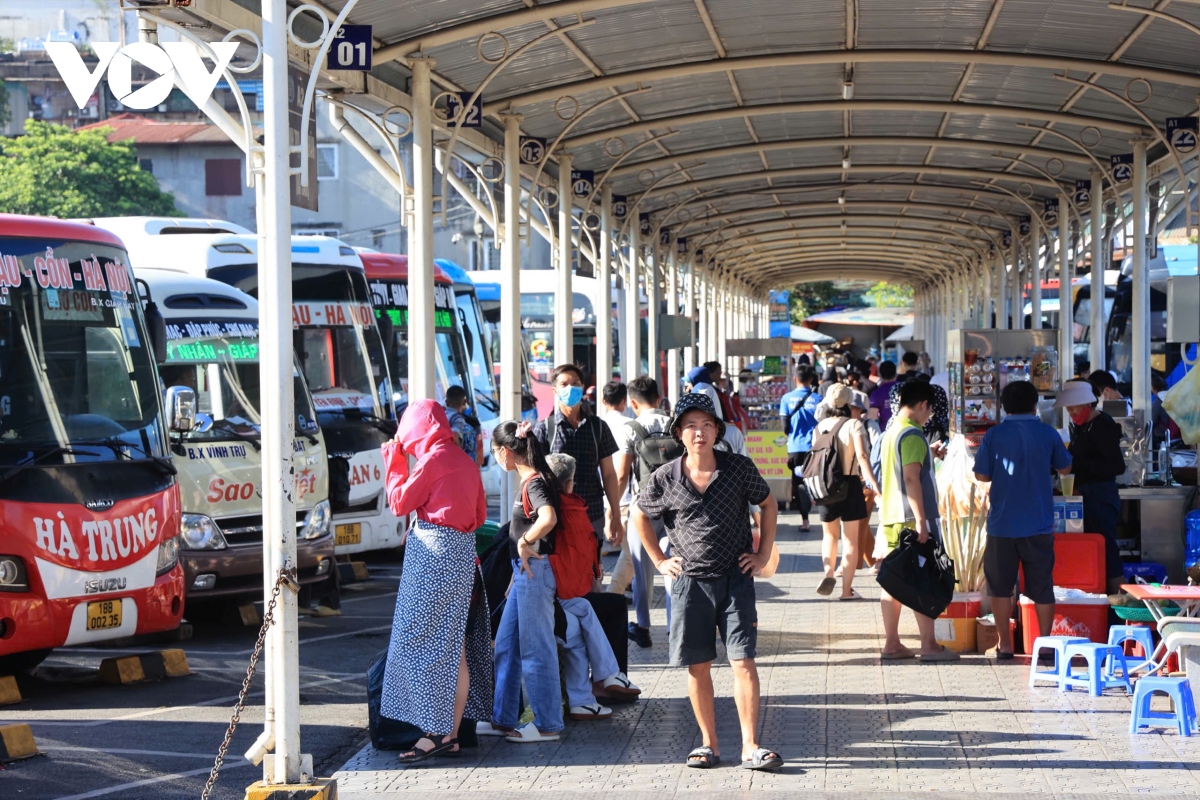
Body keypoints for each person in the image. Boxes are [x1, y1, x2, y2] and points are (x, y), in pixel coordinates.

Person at [630, 393, 783, 771]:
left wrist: (762, 555)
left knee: (743, 661)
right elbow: (639, 516)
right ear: (679, 434)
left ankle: (750, 745)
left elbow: (768, 503)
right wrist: (660, 561)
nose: (699, 433)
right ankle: (708, 744)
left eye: (707, 425)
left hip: (736, 579)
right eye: (691, 426)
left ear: (717, 431)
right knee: (698, 666)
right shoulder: (665, 477)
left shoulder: (738, 468)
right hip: (689, 584)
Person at [380, 400, 490, 762]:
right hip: (462, 554)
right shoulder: (465, 460)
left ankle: (434, 732)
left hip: (431, 556)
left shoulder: (430, 461)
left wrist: (394, 462)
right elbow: (478, 515)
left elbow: (399, 502)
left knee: (418, 642)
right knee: (452, 643)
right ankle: (452, 733)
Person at [973, 381, 1073, 659]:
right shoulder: (1047, 433)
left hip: (1002, 524)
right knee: (1041, 585)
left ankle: (1005, 645)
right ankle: (1045, 645)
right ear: (1034, 405)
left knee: (1000, 586)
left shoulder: (993, 435)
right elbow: (1065, 467)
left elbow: (981, 475)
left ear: (1004, 406)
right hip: (1038, 523)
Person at [544, 453, 642, 720]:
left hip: (555, 594)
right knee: (591, 611)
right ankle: (608, 677)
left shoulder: (546, 507)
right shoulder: (567, 510)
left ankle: (592, 691)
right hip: (556, 595)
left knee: (582, 620)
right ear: (570, 483)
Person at [490, 420, 565, 743]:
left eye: (495, 451)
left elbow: (548, 518)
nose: (495, 457)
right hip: (524, 576)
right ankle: (503, 718)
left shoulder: (532, 483)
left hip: (535, 574)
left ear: (506, 452)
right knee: (506, 646)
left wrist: (525, 541)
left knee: (537, 649)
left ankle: (548, 724)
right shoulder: (532, 480)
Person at [877, 380, 959, 662]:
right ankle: (929, 645)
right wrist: (922, 521)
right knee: (922, 580)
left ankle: (891, 643)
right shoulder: (911, 434)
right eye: (929, 411)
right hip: (911, 520)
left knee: (893, 581)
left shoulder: (890, 431)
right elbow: (911, 477)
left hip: (890, 517)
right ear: (922, 404)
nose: (929, 417)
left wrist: (928, 454)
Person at [534, 364, 625, 561]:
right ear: (555, 390)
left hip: (591, 513)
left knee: (591, 573)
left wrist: (615, 515)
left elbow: (609, 473)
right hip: (557, 516)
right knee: (560, 573)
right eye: (564, 384)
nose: (570, 388)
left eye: (575, 383)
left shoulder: (598, 427)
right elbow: (534, 477)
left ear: (583, 387)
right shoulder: (544, 429)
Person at [613, 376, 672, 649]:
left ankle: (644, 626)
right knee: (673, 567)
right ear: (659, 399)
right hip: (676, 505)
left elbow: (623, 474)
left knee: (641, 568)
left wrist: (613, 508)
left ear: (633, 403)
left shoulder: (631, 428)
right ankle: (675, 628)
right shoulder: (675, 423)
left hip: (643, 507)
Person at [1057, 380, 1127, 593]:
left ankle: (1119, 599)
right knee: (1092, 548)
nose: (1071, 412)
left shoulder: (1102, 425)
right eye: (1068, 409)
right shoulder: (1081, 427)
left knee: (1106, 548)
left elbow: (1116, 466)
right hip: (1086, 496)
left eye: (1074, 407)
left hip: (1100, 496)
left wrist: (1075, 464)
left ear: (1087, 404)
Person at [813, 385, 877, 601]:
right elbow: (862, 457)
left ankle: (828, 573)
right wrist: (873, 483)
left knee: (829, 536)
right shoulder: (854, 424)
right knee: (851, 541)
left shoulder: (820, 426)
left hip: (825, 486)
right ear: (849, 403)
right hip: (850, 485)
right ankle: (846, 590)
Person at [600, 381, 636, 593]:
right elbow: (623, 473)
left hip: (598, 499)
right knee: (632, 553)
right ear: (625, 401)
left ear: (603, 401)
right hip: (625, 500)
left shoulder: (596, 424)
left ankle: (603, 592)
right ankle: (612, 593)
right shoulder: (632, 425)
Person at [779, 366, 821, 531]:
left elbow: (784, 425)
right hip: (816, 447)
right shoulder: (818, 399)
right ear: (811, 379)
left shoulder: (786, 399)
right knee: (818, 481)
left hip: (795, 448)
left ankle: (805, 521)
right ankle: (825, 515)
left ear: (795, 379)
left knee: (799, 484)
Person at [704, 361, 747, 433]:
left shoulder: (715, 390)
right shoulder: (711, 390)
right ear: (710, 373)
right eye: (718, 373)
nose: (719, 377)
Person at [443, 384, 478, 464]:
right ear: (464, 402)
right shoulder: (468, 430)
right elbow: (471, 461)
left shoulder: (438, 421)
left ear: (447, 402)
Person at [870, 360, 899, 428]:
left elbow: (872, 417)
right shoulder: (905, 388)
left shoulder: (877, 393)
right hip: (906, 431)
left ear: (879, 374)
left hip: (885, 432)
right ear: (895, 374)